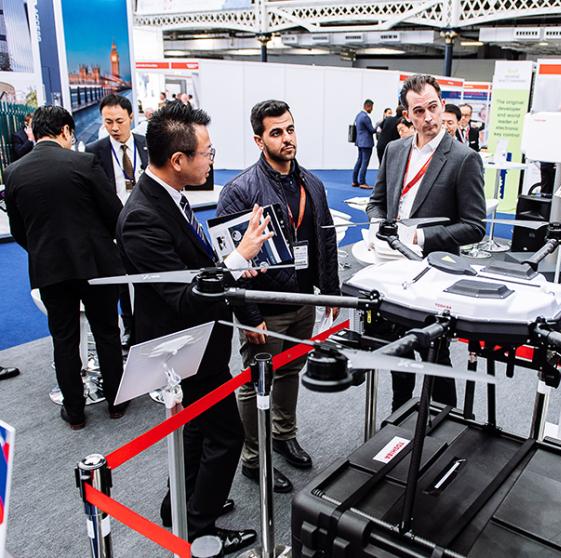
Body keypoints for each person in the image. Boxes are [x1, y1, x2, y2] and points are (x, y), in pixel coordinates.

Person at [116, 102, 268, 552]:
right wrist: (238, 259)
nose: (212, 160)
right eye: (207, 152)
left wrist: (235, 268)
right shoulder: (143, 216)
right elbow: (182, 297)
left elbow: (198, 271)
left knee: (198, 431)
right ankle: (199, 529)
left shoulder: (171, 198)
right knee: (226, 434)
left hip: (200, 342)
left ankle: (179, 506)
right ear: (178, 160)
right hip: (182, 348)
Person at [217, 99, 340, 493]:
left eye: (289, 129)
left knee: (290, 373)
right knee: (257, 382)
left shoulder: (312, 184)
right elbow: (230, 264)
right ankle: (255, 459)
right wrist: (249, 315)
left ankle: (283, 434)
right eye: (276, 132)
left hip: (304, 300)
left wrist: (331, 293)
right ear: (259, 140)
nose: (286, 138)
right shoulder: (240, 191)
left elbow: (327, 239)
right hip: (264, 308)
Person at [366, 74, 486, 412]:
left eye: (433, 107)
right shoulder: (394, 150)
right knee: (398, 347)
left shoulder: (463, 159)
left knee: (435, 353)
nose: (428, 118)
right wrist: (378, 222)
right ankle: (399, 411)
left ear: (441, 104)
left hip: (435, 273)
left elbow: (475, 227)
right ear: (407, 114)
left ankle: (447, 417)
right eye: (419, 111)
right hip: (393, 268)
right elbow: (377, 201)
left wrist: (420, 235)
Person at [4, 106, 126, 429]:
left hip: (49, 269)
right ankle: (116, 402)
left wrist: (44, 251)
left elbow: (18, 230)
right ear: (66, 132)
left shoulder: (13, 172)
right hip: (96, 265)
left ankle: (75, 413)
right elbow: (114, 213)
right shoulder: (84, 163)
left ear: (34, 133)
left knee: (64, 339)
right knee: (107, 332)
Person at [86, 94, 149, 348]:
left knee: (149, 275)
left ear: (131, 117)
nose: (114, 127)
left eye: (119, 121)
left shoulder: (148, 144)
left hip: (146, 221)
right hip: (114, 226)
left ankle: (149, 325)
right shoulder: (94, 152)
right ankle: (129, 327)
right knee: (122, 280)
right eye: (108, 121)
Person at [352, 99, 375, 189]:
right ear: (368, 106)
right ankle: (362, 182)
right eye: (372, 107)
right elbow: (372, 130)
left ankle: (354, 181)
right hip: (366, 143)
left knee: (359, 161)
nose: (372, 109)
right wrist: (378, 126)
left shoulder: (358, 115)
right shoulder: (365, 117)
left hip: (360, 142)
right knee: (365, 162)